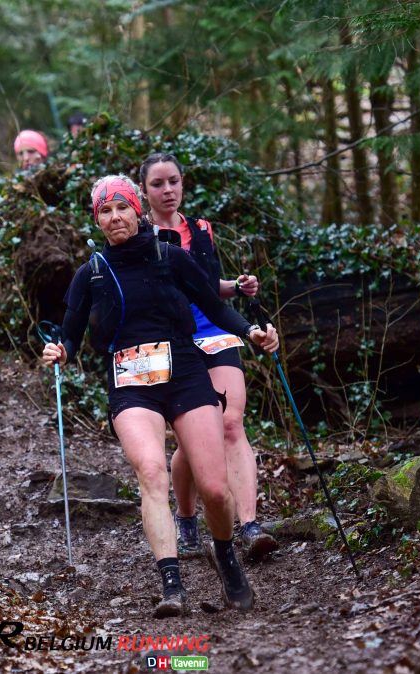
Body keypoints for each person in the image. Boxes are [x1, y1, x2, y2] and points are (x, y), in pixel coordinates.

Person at [41, 174, 280, 618]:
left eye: (122, 208)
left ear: (137, 210)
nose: (115, 217)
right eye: (105, 211)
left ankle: (226, 557)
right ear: (98, 219)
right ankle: (172, 585)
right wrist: (60, 351)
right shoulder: (90, 272)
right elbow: (70, 337)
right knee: (151, 471)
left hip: (186, 374)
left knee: (213, 486)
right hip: (130, 381)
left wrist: (251, 331)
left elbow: (214, 307)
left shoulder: (170, 257)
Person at [139, 152, 280, 563]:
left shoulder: (200, 230)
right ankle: (186, 518)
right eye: (158, 184)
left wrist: (236, 287)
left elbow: (205, 288)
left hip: (213, 330)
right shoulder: (137, 235)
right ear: (144, 191)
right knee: (190, 438)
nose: (168, 191)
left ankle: (250, 526)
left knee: (231, 422)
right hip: (170, 339)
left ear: (183, 184)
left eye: (174, 182)